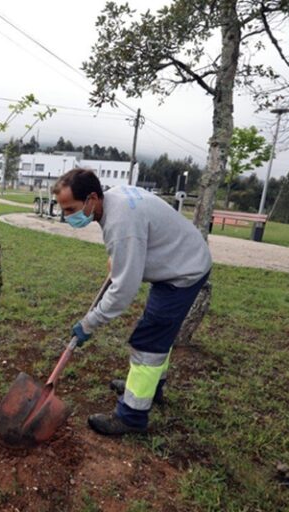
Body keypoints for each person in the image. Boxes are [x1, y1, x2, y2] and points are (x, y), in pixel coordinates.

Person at [53, 169, 212, 435]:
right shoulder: (113, 198)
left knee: (148, 341)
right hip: (178, 260)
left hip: (184, 271)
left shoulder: (120, 225)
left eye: (71, 209)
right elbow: (134, 246)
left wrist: (89, 323)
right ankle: (153, 389)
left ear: (92, 198)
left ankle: (132, 417)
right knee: (159, 335)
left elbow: (123, 292)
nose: (67, 216)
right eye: (63, 210)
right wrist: (120, 261)